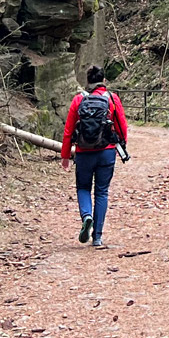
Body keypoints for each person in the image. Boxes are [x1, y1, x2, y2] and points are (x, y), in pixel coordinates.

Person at [59, 67, 129, 247]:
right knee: (101, 191)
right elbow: (122, 126)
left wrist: (66, 155)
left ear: (88, 82)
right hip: (106, 152)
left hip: (83, 153)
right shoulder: (112, 99)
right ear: (103, 80)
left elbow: (68, 131)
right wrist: (121, 145)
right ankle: (97, 236)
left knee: (83, 187)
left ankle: (86, 215)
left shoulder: (78, 99)